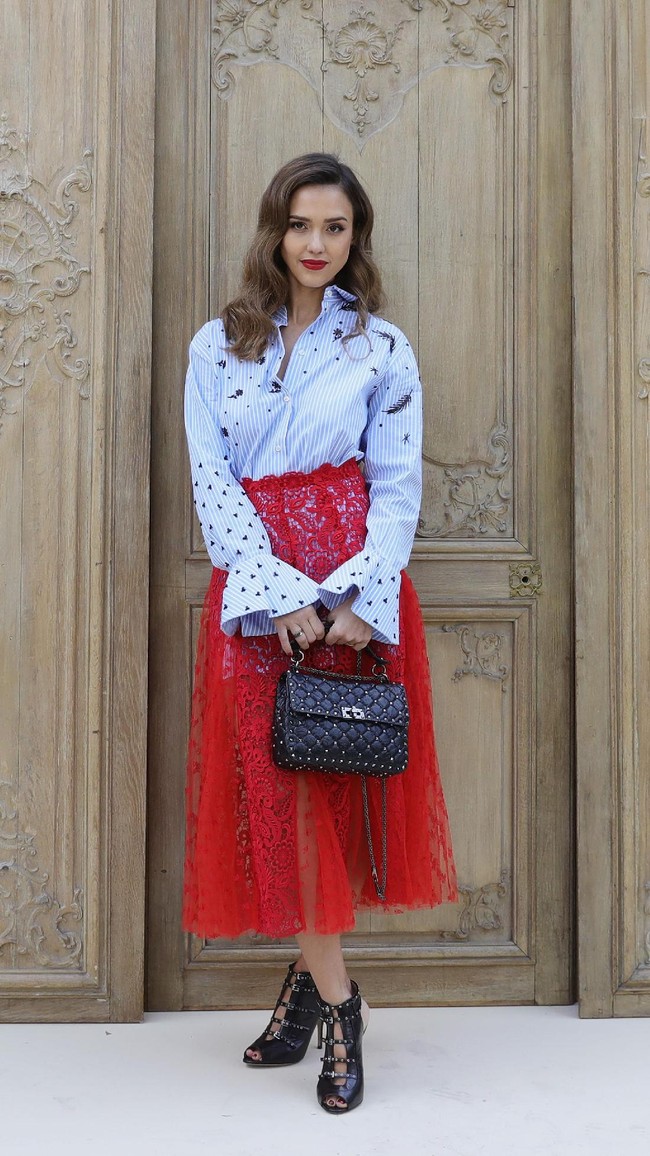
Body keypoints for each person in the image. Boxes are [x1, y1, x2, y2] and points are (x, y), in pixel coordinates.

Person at [182, 153, 457, 1114]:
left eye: (334, 228)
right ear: (274, 231)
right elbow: (214, 482)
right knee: (280, 797)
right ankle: (342, 1006)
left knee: (327, 799)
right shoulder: (217, 347)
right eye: (301, 225)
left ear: (355, 238)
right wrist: (277, 594)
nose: (315, 244)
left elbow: (395, 488)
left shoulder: (382, 349)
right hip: (263, 603)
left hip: (352, 597)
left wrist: (353, 604)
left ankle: (309, 997)